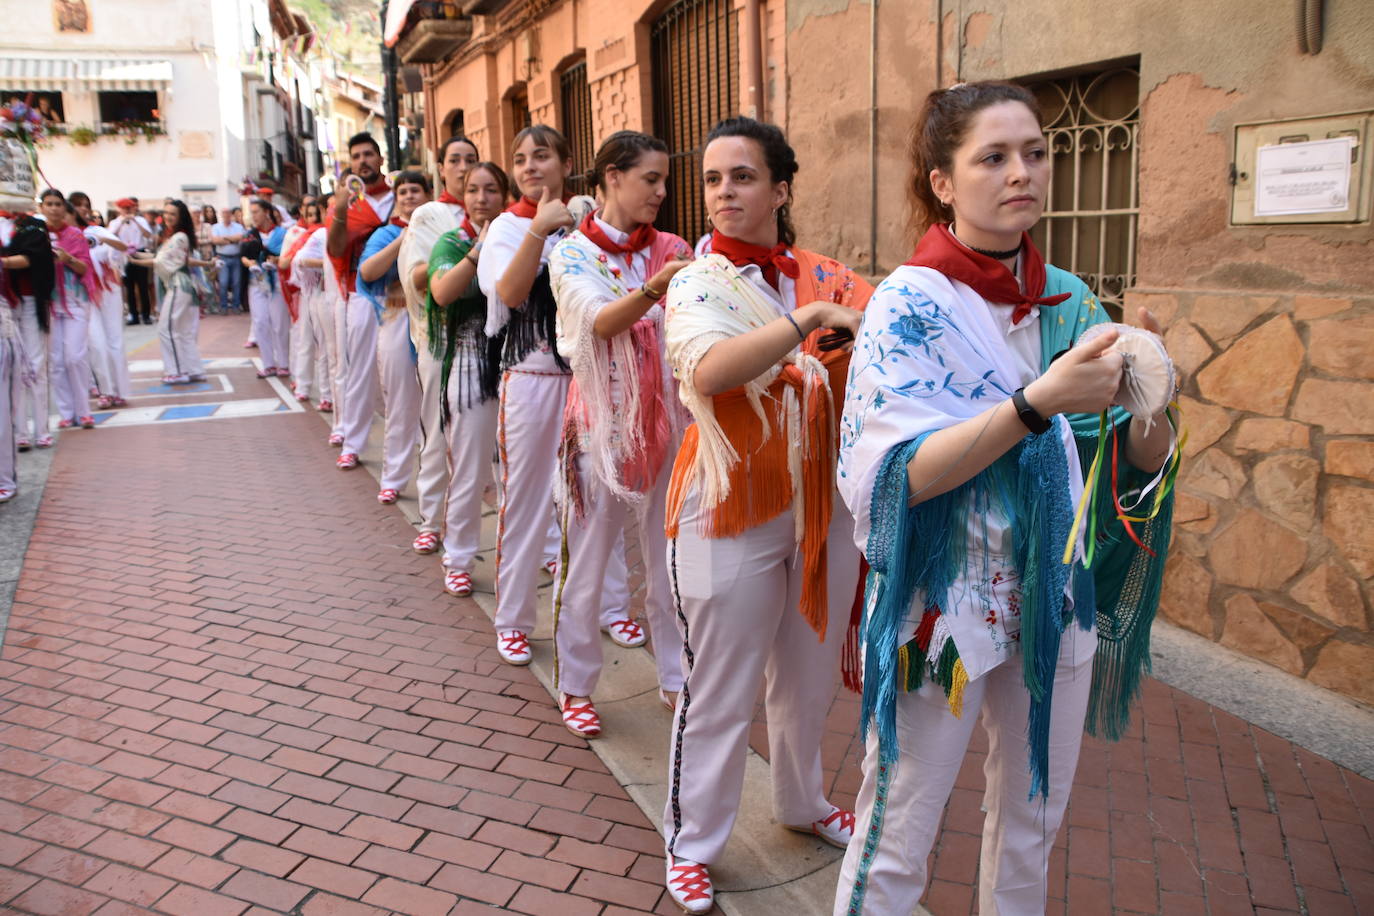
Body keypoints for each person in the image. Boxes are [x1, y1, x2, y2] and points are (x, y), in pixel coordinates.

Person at [832, 82, 1178, 916]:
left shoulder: (1070, 298)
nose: (1021, 171)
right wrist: (1037, 404)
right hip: (939, 598)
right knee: (898, 831)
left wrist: (1152, 408)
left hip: (1055, 592)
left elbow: (1140, 466)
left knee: (1035, 819)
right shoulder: (906, 306)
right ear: (942, 181)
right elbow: (892, 476)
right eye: (992, 156)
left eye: (1035, 152)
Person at [658, 118, 870, 914]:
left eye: (742, 177)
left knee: (808, 679)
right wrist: (808, 322)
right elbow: (709, 371)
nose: (723, 193)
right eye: (713, 179)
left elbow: (886, 343)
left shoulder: (827, 275)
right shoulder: (697, 281)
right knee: (719, 687)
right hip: (726, 506)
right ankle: (692, 844)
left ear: (781, 189)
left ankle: (802, 801)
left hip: (822, 509)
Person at [546, 130, 694, 738]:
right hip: (599, 429)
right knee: (586, 560)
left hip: (676, 425)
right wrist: (659, 286)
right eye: (649, 179)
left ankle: (677, 676)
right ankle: (576, 684)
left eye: (664, 180)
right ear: (611, 176)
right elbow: (601, 323)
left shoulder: (675, 246)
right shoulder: (572, 254)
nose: (662, 191)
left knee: (672, 558)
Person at [475, 124, 599, 665]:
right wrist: (539, 230)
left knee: (596, 502)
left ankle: (611, 607)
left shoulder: (590, 223)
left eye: (542, 156)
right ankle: (514, 619)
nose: (529, 166)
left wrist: (575, 228)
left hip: (589, 379)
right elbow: (508, 291)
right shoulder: (506, 227)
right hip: (530, 378)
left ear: (566, 163)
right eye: (520, 158)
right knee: (524, 502)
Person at [424, 160, 506, 597]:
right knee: (470, 469)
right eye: (473, 190)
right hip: (472, 362)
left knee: (521, 470)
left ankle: (545, 548)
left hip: (515, 362)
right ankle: (457, 556)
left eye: (491, 189)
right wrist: (479, 249)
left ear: (504, 195)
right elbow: (441, 291)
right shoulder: (452, 241)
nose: (481, 198)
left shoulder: (522, 238)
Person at [396, 135, 480, 557]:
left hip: (487, 338)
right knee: (437, 428)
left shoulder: (492, 212)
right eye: (455, 160)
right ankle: (432, 519)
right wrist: (459, 260)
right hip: (440, 338)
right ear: (441, 168)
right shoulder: (430, 214)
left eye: (471, 159)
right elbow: (414, 277)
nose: (463, 167)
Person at [357, 170, 431, 502]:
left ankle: (438, 484)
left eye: (416, 190)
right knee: (401, 404)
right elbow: (368, 272)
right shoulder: (386, 233)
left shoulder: (443, 228)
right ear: (396, 199)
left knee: (437, 408)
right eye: (403, 192)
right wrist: (405, 238)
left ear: (428, 195)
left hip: (435, 323)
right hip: (398, 318)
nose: (409, 196)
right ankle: (394, 477)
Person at [327, 132, 394, 471]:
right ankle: (353, 442)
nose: (363, 161)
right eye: (356, 156)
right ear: (350, 164)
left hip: (400, 293)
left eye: (369, 154)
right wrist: (339, 210)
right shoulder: (347, 205)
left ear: (380, 160)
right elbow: (336, 249)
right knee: (360, 372)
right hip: (362, 293)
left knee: (404, 375)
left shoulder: (400, 196)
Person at [130, 200, 210, 385]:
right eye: (166, 213)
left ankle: (176, 371)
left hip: (178, 285)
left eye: (172, 214)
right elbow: (158, 257)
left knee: (166, 329)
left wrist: (133, 260)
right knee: (182, 331)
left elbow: (159, 261)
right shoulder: (175, 236)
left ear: (180, 217)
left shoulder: (179, 237)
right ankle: (194, 369)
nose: (167, 217)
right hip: (181, 285)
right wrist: (134, 256)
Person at [41, 191, 100, 430]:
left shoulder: (75, 235)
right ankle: (67, 413)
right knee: (56, 361)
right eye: (49, 204)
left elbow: (85, 269)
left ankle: (84, 411)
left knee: (74, 357)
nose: (54, 208)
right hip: (49, 303)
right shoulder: (38, 235)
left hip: (76, 300)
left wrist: (67, 259)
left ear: (64, 209)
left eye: (57, 204)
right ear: (42, 207)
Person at [70, 191, 131, 409]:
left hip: (107, 290)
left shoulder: (96, 230)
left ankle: (120, 390)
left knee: (114, 339)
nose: (83, 209)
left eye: (85, 204)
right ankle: (105, 390)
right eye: (78, 205)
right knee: (96, 342)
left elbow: (123, 247)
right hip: (82, 293)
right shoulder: (64, 235)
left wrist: (100, 239)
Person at [2, 210, 56, 452]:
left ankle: (41, 430)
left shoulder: (33, 225)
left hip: (30, 300)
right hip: (5, 304)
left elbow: (31, 258)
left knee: (35, 365)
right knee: (12, 369)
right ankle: (20, 431)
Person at [280, 200, 331, 409]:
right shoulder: (301, 235)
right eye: (310, 214)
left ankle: (327, 394)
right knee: (305, 340)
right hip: (308, 293)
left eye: (317, 214)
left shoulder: (329, 233)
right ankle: (303, 385)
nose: (314, 219)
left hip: (329, 294)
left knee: (329, 347)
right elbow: (288, 262)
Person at [241, 198, 291, 378]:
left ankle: (284, 363)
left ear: (266, 212)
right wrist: (249, 263)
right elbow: (243, 256)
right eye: (251, 212)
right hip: (257, 281)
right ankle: (268, 364)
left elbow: (288, 255)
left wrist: (276, 260)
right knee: (260, 322)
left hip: (277, 281)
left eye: (256, 212)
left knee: (279, 324)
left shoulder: (282, 233)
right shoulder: (250, 234)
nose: (253, 216)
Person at [110, 197, 154, 325]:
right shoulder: (115, 222)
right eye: (124, 208)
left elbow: (147, 235)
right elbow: (111, 236)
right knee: (129, 288)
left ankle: (146, 315)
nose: (127, 210)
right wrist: (122, 222)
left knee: (143, 286)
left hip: (139, 253)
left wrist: (135, 220)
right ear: (120, 209)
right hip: (124, 256)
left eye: (129, 208)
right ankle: (133, 315)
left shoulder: (140, 220)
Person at [213, 206, 246, 314]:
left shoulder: (238, 226)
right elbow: (215, 240)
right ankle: (223, 306)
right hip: (222, 257)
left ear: (231, 215)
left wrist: (224, 239)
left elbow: (241, 237)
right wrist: (232, 239)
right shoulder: (216, 227)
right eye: (224, 213)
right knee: (223, 282)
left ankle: (236, 306)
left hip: (236, 257)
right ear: (221, 215)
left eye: (228, 213)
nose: (226, 215)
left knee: (237, 282)